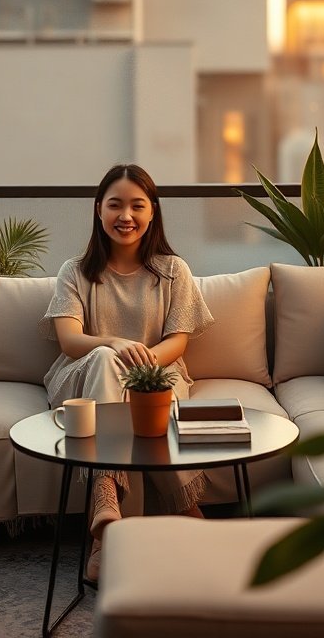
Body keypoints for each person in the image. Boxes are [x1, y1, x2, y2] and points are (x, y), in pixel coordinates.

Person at [41, 163, 214, 580]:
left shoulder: (174, 271)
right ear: (99, 210)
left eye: (137, 205)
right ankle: (161, 506)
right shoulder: (76, 271)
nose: (126, 216)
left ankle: (105, 536)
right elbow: (69, 340)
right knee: (103, 361)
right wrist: (113, 343)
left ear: (152, 211)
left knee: (147, 399)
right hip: (83, 376)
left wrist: (142, 369)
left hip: (157, 371)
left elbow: (178, 341)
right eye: (115, 205)